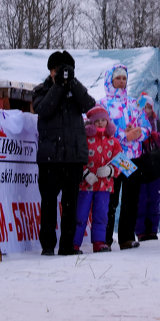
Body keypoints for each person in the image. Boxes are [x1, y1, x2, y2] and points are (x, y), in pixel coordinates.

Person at [32, 50, 96, 256]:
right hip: (50, 157)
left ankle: (67, 246)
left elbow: (89, 106)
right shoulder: (41, 90)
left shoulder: (75, 90)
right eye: (57, 69)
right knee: (49, 203)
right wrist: (59, 85)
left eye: (65, 69)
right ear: (50, 71)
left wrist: (73, 83)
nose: (61, 73)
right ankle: (48, 245)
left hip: (73, 156)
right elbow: (44, 109)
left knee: (71, 203)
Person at [100, 63, 151, 250]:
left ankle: (126, 237)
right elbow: (101, 129)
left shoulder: (134, 103)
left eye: (124, 79)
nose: (121, 82)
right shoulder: (103, 104)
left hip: (133, 158)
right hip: (112, 158)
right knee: (110, 200)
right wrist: (123, 135)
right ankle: (104, 238)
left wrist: (139, 132)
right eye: (117, 79)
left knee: (131, 199)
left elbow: (146, 126)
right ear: (110, 81)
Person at [74, 104, 122, 253]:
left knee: (101, 214)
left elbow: (121, 163)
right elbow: (77, 158)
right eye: (97, 120)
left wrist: (110, 170)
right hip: (86, 185)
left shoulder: (113, 142)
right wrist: (85, 173)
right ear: (91, 123)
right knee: (80, 214)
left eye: (103, 120)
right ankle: (74, 243)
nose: (101, 123)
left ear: (108, 122)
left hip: (104, 185)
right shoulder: (85, 140)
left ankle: (99, 242)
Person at [135, 94, 160, 242]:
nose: (146, 111)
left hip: (155, 165)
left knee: (154, 198)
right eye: (143, 108)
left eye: (148, 107)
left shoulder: (158, 123)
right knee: (141, 199)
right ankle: (141, 231)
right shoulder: (134, 123)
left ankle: (152, 230)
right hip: (141, 164)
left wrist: (155, 136)